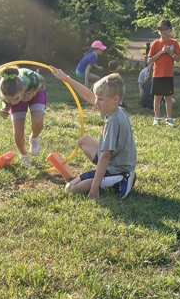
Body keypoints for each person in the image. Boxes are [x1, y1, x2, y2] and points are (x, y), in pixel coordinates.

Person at [49, 69, 136, 200]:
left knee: (70, 188)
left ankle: (122, 178)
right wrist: (66, 78)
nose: (96, 102)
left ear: (115, 99)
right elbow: (89, 95)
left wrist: (94, 188)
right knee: (83, 141)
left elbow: (105, 155)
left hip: (116, 168)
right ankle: (113, 177)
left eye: (100, 99)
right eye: (97, 98)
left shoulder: (113, 121)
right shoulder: (114, 109)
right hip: (118, 160)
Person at [0, 65, 47, 167]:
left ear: (22, 89)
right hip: (19, 94)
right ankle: (24, 156)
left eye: (15, 99)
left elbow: (42, 81)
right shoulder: (4, 88)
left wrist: (33, 93)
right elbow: (8, 102)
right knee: (17, 132)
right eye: (9, 100)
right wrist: (5, 109)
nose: (13, 103)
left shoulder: (30, 78)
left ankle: (34, 137)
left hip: (35, 91)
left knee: (37, 122)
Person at [147, 19, 180, 127]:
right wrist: (161, 52)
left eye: (165, 29)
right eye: (161, 29)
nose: (163, 31)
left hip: (168, 74)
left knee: (168, 98)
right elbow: (149, 60)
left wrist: (170, 52)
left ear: (170, 30)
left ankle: (169, 119)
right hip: (157, 74)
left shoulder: (174, 43)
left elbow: (178, 59)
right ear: (158, 31)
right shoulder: (156, 43)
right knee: (157, 97)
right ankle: (157, 118)